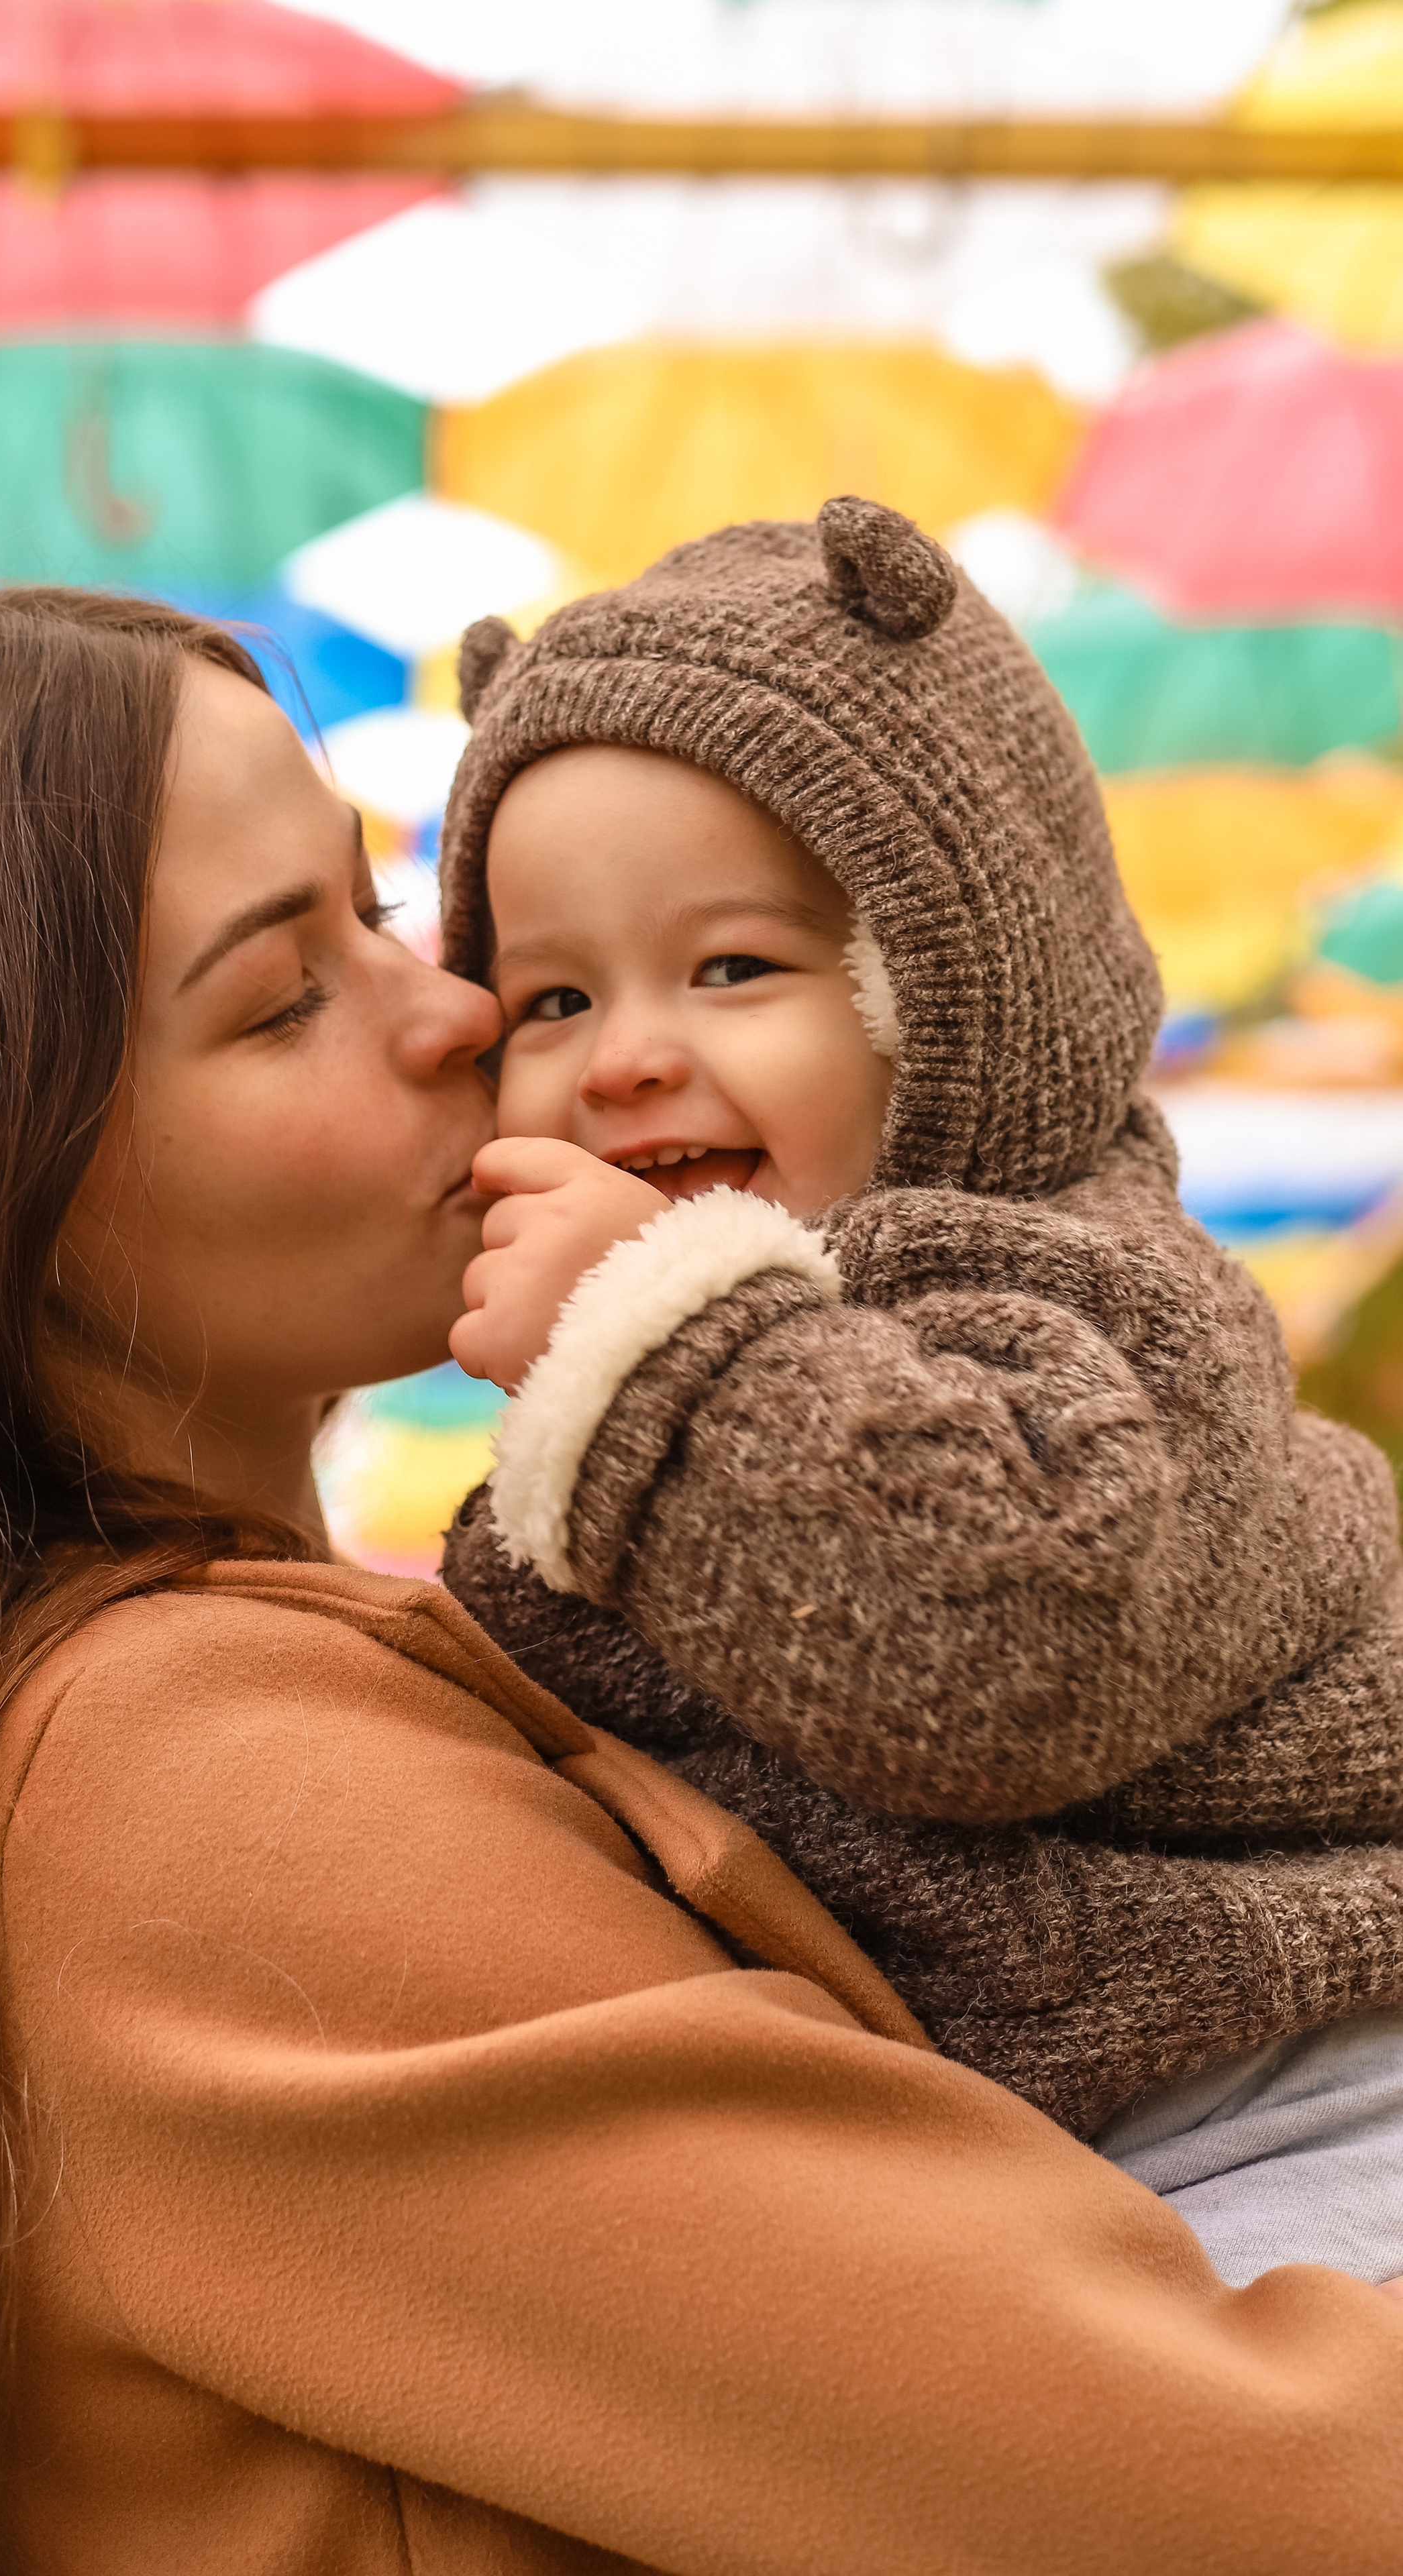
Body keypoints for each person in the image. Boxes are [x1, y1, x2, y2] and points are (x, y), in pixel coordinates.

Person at [0, 584, 1402, 2576]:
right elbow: (1247, 2494)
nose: (465, 1013)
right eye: (281, 994)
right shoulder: (192, 1788)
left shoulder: (177, 1697)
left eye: (386, 912)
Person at [439, 497, 1403, 2290]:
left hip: (1290, 2101)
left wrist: (660, 1346)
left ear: (963, 992)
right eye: (551, 996)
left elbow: (1006, 1649)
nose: (631, 1052)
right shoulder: (660, 1374)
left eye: (735, 968)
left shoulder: (1085, 1287)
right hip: (1022, 2162)